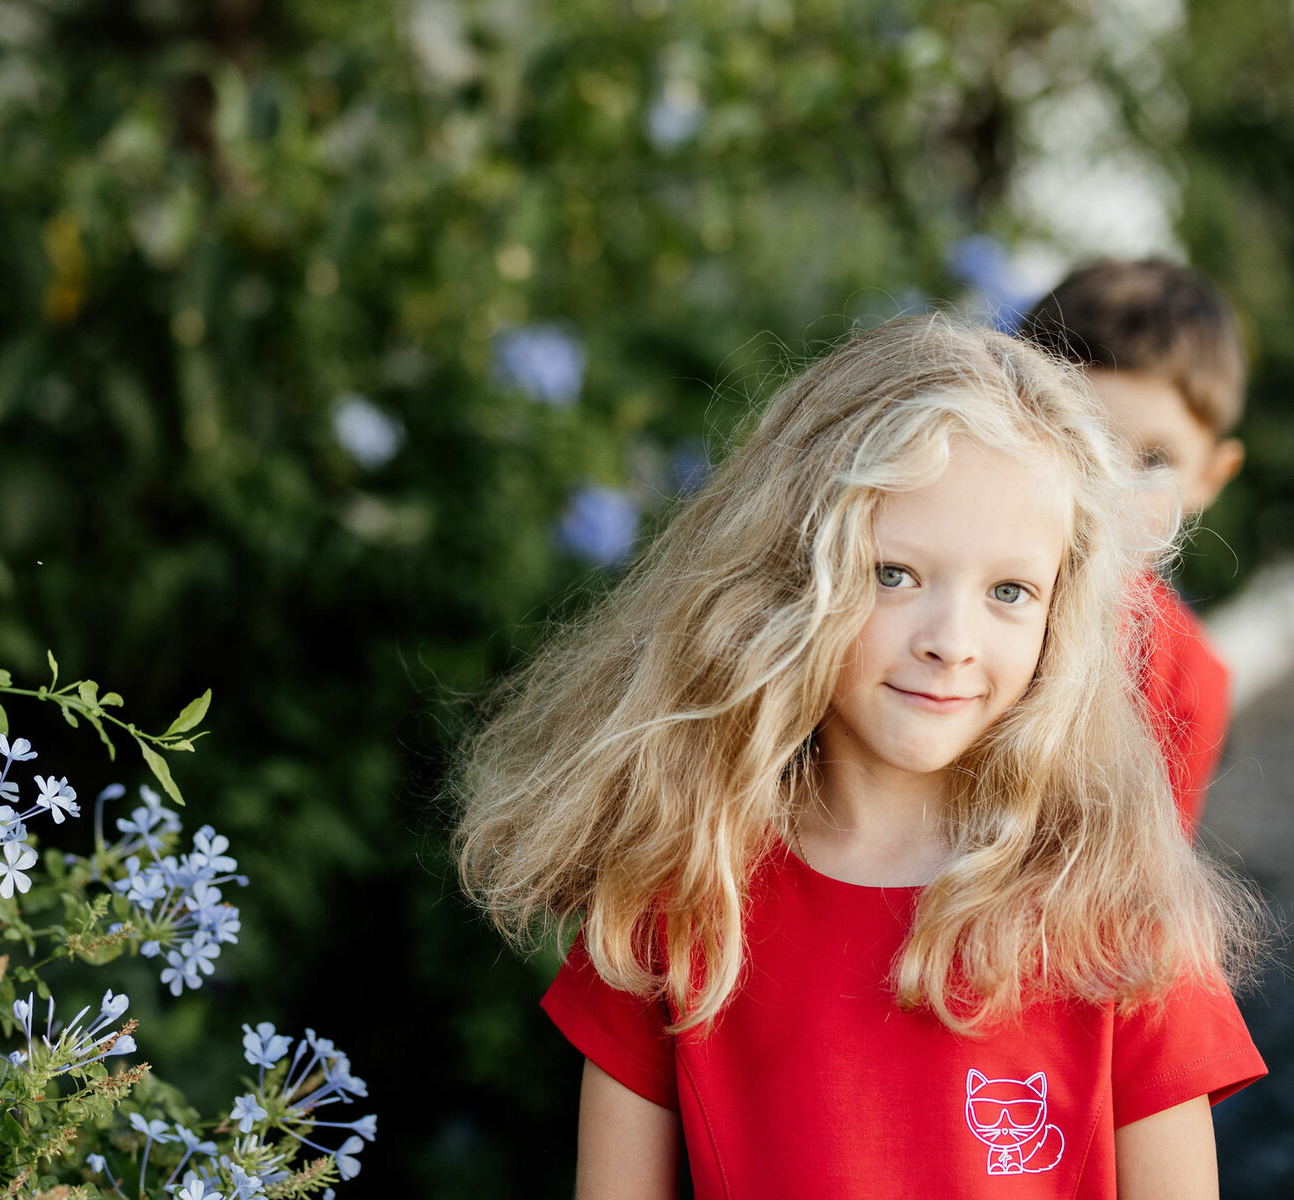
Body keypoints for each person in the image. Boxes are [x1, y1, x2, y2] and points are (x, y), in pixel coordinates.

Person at [454, 316, 1263, 1198]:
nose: (951, 641)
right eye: (894, 574)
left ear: (1061, 618)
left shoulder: (1120, 914)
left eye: (1009, 591)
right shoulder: (683, 890)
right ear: (791, 574)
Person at [1019, 260, 1247, 835]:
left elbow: (1146, 891)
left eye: (1154, 460)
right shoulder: (944, 589)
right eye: (1080, 433)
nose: (1110, 483)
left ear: (1209, 479)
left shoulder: (1187, 679)